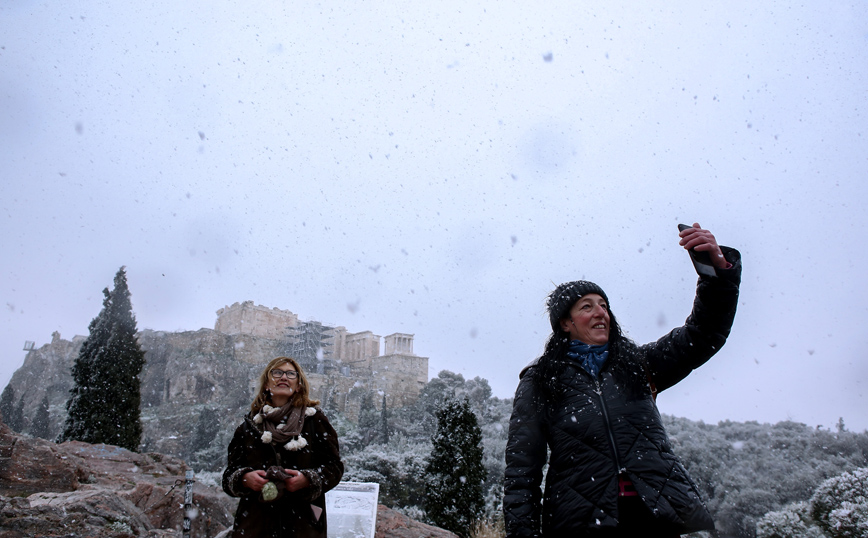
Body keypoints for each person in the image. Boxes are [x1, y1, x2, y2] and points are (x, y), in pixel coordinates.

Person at [503, 223, 742, 538]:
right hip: (582, 522)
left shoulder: (637, 365)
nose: (600, 312)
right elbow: (522, 473)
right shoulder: (540, 381)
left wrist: (713, 269)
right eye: (586, 307)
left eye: (604, 305)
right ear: (565, 323)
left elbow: (705, 332)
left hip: (654, 516)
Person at [223, 356, 344, 538]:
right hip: (255, 525)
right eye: (277, 373)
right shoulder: (249, 427)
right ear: (266, 384)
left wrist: (307, 479)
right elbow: (229, 476)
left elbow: (334, 468)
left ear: (298, 386)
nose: (283, 377)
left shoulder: (315, 422)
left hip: (302, 525)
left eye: (290, 374)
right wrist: (245, 478)